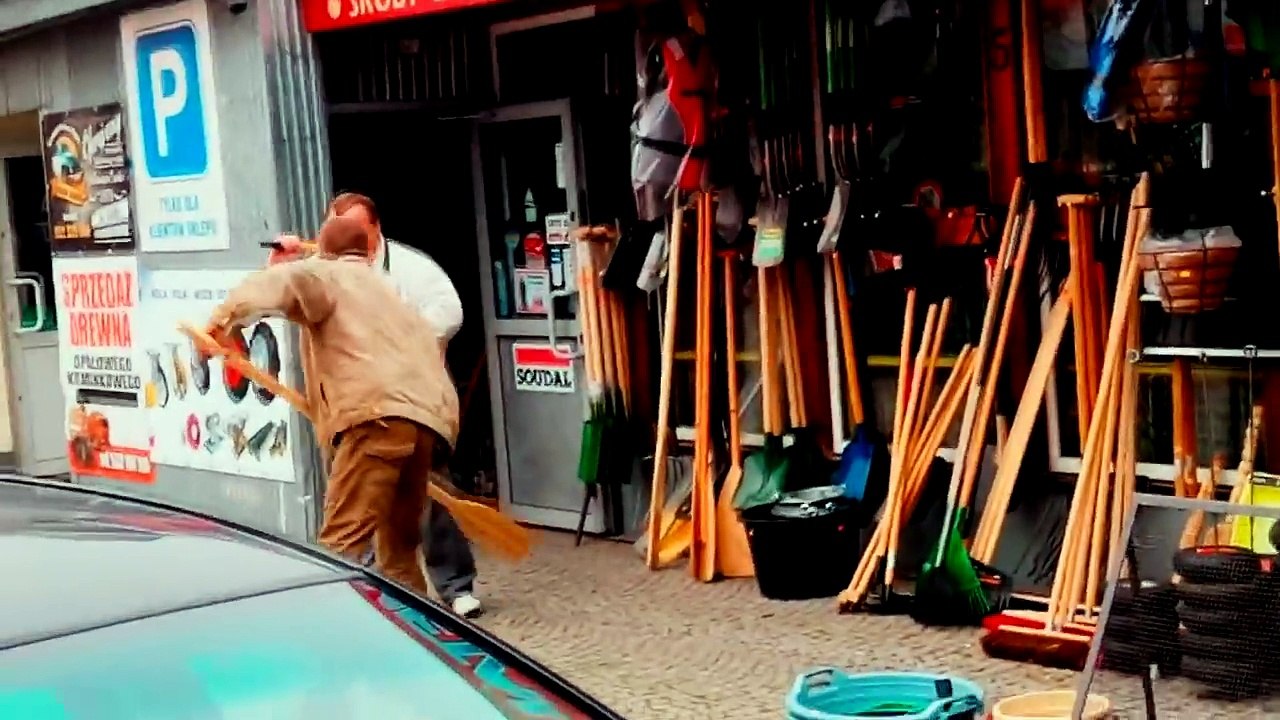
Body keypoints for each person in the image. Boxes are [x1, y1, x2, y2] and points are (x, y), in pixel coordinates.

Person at [211, 216, 459, 594]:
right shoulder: (388, 289)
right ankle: (419, 635)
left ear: (326, 251)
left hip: (376, 419)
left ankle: (323, 628)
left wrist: (220, 325)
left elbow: (278, 285)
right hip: (426, 423)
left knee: (340, 543)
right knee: (398, 550)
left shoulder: (328, 275)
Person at [269, 193, 484, 618]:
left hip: (414, 402)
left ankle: (454, 584)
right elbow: (289, 296)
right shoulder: (326, 269)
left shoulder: (410, 268)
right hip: (355, 409)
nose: (350, 238)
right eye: (339, 227)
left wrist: (399, 340)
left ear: (375, 229)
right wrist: (284, 266)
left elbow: (450, 311)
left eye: (357, 230)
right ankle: (370, 588)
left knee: (432, 495)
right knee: (360, 503)